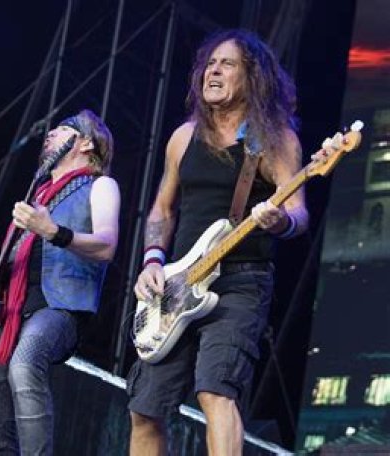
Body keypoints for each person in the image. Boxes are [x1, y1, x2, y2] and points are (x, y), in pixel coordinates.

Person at [128, 29, 311, 455]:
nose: (213, 70)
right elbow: (162, 210)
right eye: (210, 63)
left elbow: (300, 213)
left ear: (253, 76)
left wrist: (280, 221)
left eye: (227, 64)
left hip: (241, 282)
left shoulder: (275, 139)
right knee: (145, 409)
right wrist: (152, 261)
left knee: (216, 392)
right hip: (178, 284)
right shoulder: (183, 137)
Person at [0, 109, 121, 455]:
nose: (49, 133)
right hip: (12, 310)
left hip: (60, 307)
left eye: (62, 129)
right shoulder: (40, 196)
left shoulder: (100, 185)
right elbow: (11, 256)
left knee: (25, 361)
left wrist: (53, 230)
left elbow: (107, 245)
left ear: (86, 143)